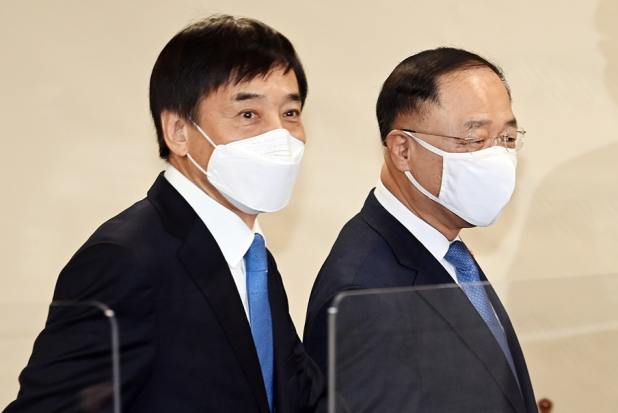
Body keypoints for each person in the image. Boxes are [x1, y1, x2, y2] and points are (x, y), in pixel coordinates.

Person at [4, 15, 325, 413]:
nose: (280, 136)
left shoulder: (251, 256)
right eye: (248, 115)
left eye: (290, 114)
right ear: (177, 131)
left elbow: (295, 395)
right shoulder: (125, 261)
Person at [304, 47, 538, 412]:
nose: (497, 158)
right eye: (475, 140)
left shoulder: (448, 252)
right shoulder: (363, 294)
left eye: (507, 139)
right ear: (402, 150)